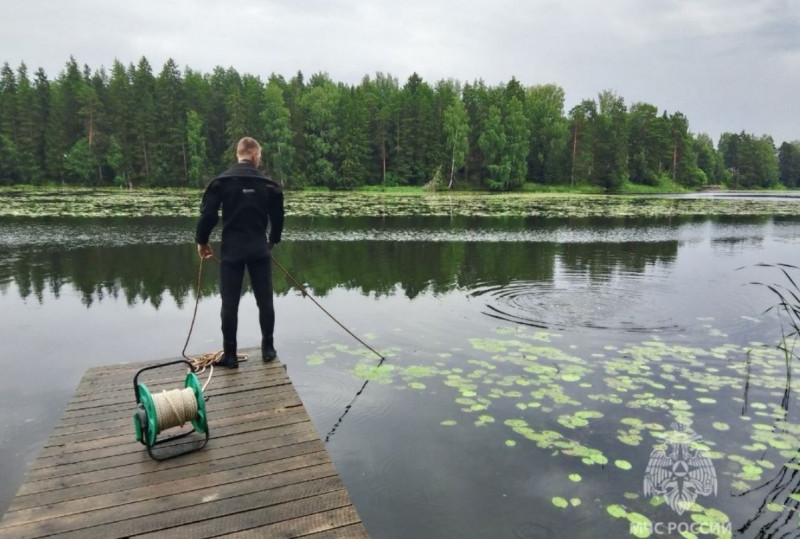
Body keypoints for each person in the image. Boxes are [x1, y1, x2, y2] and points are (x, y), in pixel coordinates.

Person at [195, 136, 285, 368]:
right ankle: (268, 349)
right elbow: (277, 217)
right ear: (254, 155)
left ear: (239, 154)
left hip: (232, 251)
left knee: (229, 304)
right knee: (265, 301)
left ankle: (231, 355)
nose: (259, 159)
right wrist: (273, 240)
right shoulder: (269, 186)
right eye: (260, 156)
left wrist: (202, 241)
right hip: (258, 249)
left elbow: (208, 215)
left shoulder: (222, 182)